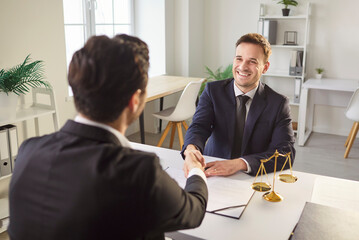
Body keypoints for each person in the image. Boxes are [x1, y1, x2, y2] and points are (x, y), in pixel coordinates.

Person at [9, 34, 208, 240]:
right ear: (134, 101)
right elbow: (193, 212)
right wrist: (195, 169)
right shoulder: (139, 171)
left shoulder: (28, 151)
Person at [182, 33, 295, 177]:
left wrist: (241, 163)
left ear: (265, 67)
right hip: (212, 169)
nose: (243, 67)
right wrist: (191, 149)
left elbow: (286, 153)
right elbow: (199, 126)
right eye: (239, 58)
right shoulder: (212, 91)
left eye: (252, 61)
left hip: (251, 176)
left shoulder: (278, 103)